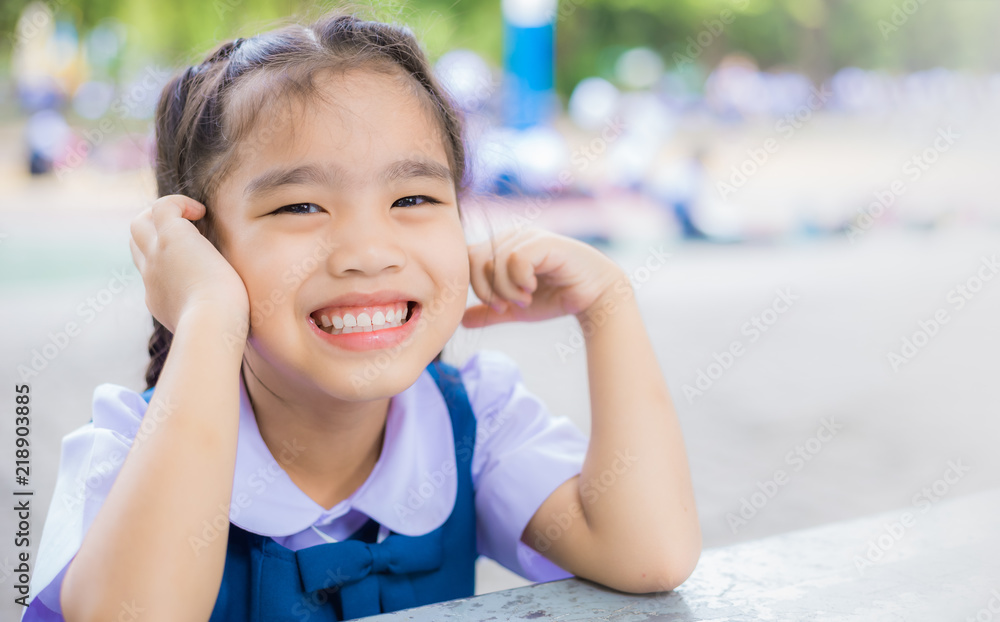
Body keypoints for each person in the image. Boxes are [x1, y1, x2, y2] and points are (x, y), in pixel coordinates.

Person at [22, 10, 701, 622]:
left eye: (412, 199)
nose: (369, 253)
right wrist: (206, 317)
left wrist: (608, 306)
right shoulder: (130, 446)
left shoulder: (473, 424)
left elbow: (650, 556)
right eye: (299, 206)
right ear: (201, 249)